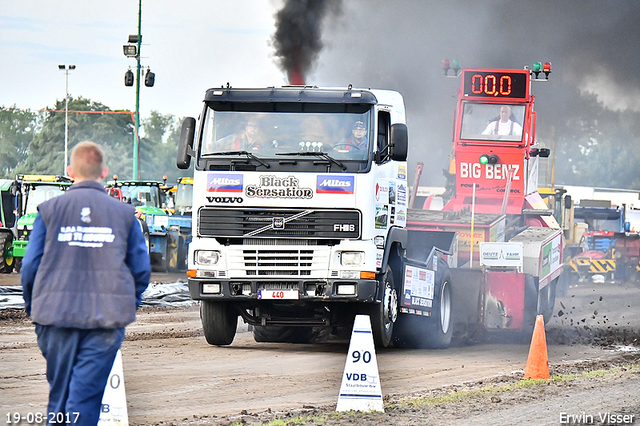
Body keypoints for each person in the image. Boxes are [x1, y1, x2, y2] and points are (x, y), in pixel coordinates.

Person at [21, 141, 150, 426]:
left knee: (60, 399)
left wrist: (36, 308)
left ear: (70, 171)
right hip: (105, 323)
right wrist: (125, 308)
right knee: (85, 401)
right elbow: (140, 271)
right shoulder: (124, 216)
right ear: (104, 172)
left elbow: (30, 267)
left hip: (53, 319)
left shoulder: (50, 210)